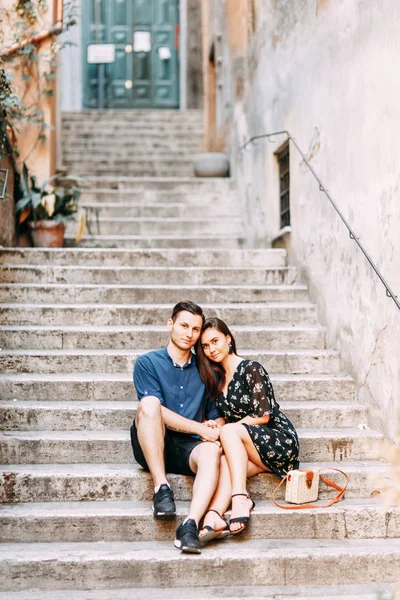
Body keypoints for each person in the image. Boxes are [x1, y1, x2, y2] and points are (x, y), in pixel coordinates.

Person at [131, 301, 226, 554]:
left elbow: (217, 417)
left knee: (212, 451)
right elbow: (155, 412)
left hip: (189, 448)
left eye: (195, 329)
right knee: (150, 403)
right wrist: (199, 426)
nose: (189, 334)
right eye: (184, 325)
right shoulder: (147, 363)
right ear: (170, 324)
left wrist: (213, 426)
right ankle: (162, 489)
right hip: (153, 444)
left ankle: (189, 525)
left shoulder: (208, 370)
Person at [196, 317, 300, 538]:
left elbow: (263, 416)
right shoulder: (218, 379)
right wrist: (216, 425)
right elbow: (227, 418)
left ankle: (240, 496)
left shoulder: (251, 368)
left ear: (228, 339)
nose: (211, 349)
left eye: (215, 341)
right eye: (205, 346)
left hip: (277, 440)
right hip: (249, 446)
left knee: (229, 432)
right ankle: (214, 514)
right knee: (225, 460)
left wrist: (227, 430)